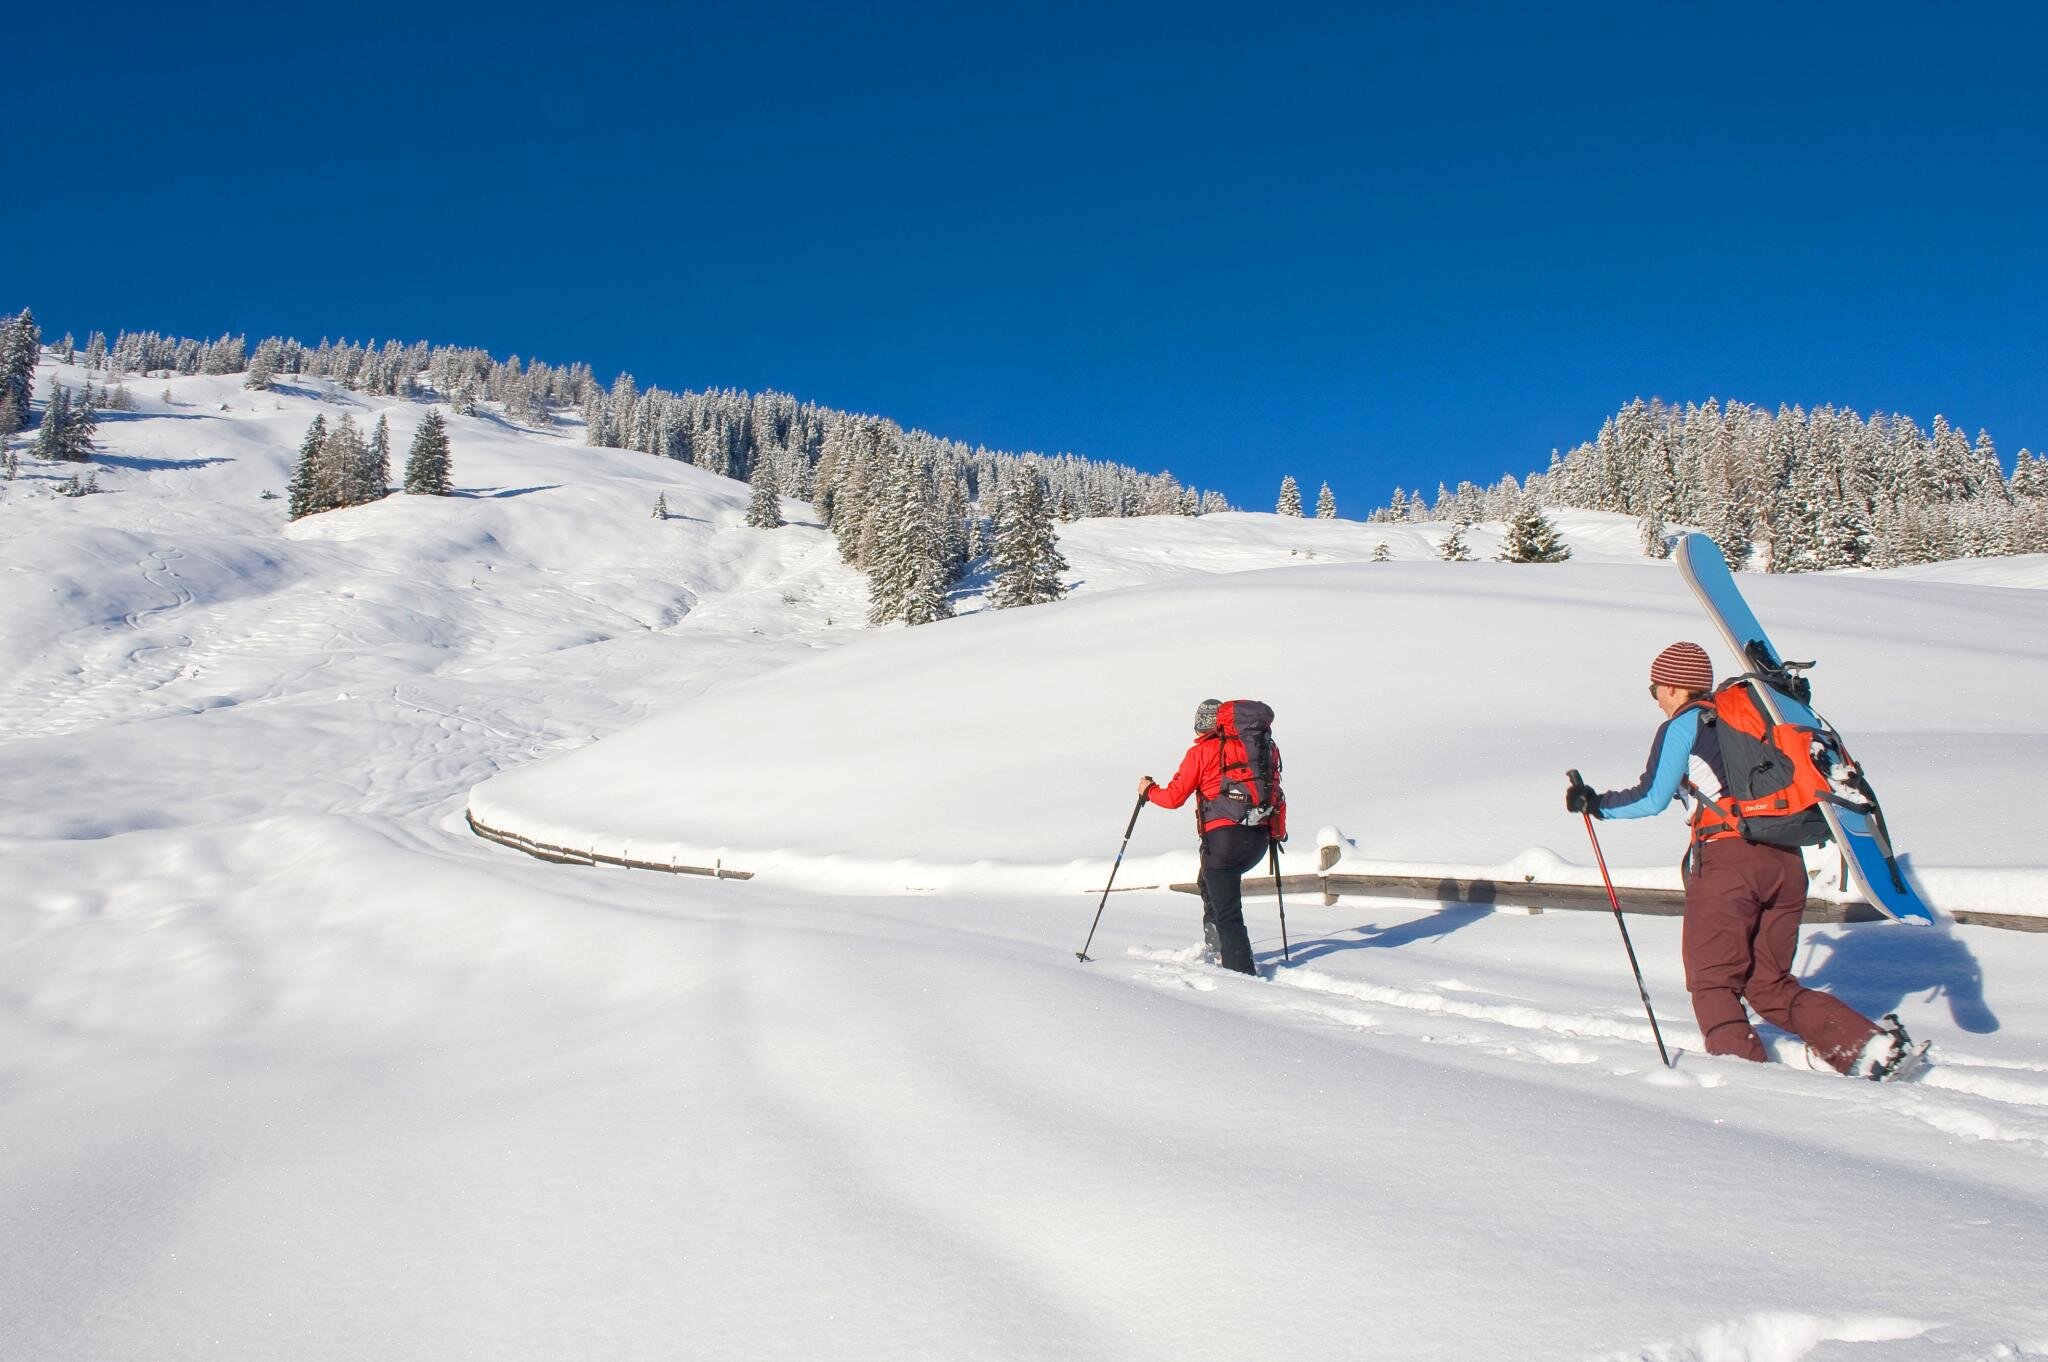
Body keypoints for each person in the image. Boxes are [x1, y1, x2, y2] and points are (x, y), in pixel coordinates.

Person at [1566, 642, 1917, 1078]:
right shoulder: (1754, 722)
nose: (1655, 697)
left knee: (1713, 981)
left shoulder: (1686, 724)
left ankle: (1745, 1084)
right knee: (1767, 984)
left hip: (1728, 863)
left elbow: (1652, 797)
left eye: (1655, 688)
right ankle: (1866, 1047)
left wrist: (1596, 804)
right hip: (1786, 861)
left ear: (1675, 687)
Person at [1139, 699, 1287, 976]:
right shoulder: (1264, 748)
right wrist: (1277, 832)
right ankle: (1218, 947)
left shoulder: (1202, 752)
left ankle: (1240, 974)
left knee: (1228, 912)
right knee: (1207, 882)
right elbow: (1276, 792)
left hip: (1222, 842)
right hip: (1258, 839)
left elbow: (1173, 798)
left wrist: (1148, 791)